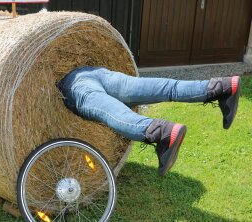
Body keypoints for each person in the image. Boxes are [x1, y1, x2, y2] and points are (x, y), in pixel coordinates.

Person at [57, 66, 241, 176]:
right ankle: (222, 86)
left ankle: (161, 132)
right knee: (168, 88)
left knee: (114, 114)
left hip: (74, 86)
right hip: (94, 72)